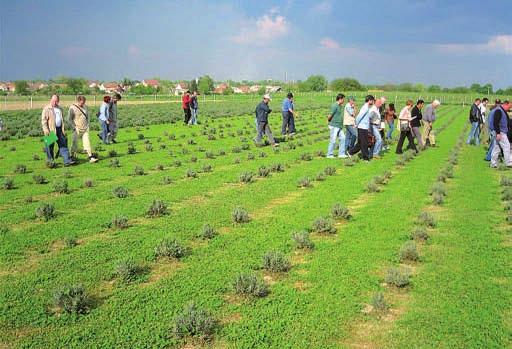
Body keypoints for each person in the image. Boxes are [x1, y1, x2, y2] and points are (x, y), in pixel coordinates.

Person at [41, 95, 74, 166]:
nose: (55, 102)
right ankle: (51, 162)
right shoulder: (47, 109)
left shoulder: (60, 109)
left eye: (56, 101)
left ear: (58, 101)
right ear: (51, 100)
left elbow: (62, 120)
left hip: (59, 130)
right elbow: (44, 121)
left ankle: (67, 161)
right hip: (51, 130)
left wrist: (63, 130)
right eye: (53, 101)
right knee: (49, 147)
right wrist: (46, 131)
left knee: (63, 145)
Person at [68, 96, 98, 163]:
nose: (83, 104)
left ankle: (90, 157)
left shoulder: (85, 107)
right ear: (78, 101)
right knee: (74, 143)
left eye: (84, 102)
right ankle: (71, 156)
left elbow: (87, 116)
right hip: (77, 129)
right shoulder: (72, 108)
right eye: (82, 103)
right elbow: (69, 119)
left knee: (87, 142)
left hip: (85, 128)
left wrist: (88, 125)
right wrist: (74, 127)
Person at [348, 95, 376, 161]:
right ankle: (365, 158)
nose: (373, 102)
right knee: (365, 143)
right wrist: (356, 123)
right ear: (369, 100)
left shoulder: (367, 107)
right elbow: (359, 116)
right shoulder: (365, 107)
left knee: (360, 143)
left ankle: (350, 152)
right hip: (362, 128)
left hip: (364, 127)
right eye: (372, 100)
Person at [490, 100, 512, 168]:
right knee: (507, 146)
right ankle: (508, 163)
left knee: (497, 148)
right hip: (501, 132)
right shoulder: (499, 111)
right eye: (509, 107)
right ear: (505, 104)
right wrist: (498, 133)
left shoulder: (502, 111)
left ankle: (493, 163)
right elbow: (496, 122)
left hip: (501, 132)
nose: (510, 109)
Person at [326, 94, 347, 158]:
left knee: (343, 138)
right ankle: (329, 154)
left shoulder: (340, 106)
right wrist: (328, 121)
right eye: (343, 99)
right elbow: (330, 115)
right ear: (340, 99)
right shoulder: (335, 106)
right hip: (334, 125)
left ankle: (341, 154)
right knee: (333, 140)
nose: (344, 100)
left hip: (339, 126)